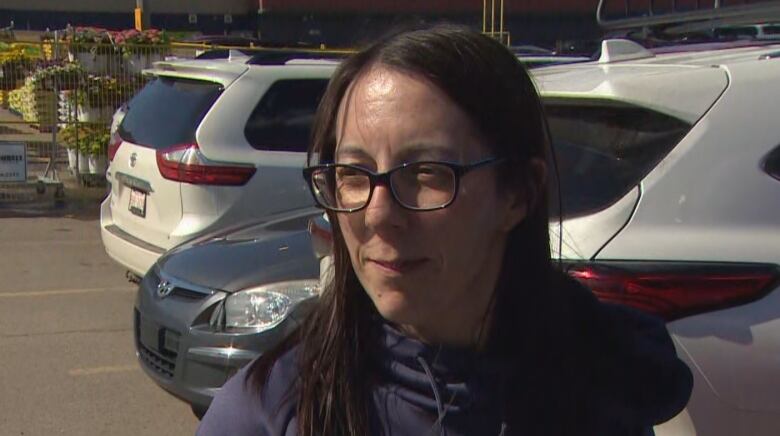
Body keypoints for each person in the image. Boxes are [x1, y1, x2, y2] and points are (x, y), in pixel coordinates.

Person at [197, 25, 692, 436]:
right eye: (353, 175)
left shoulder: (604, 384)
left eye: (428, 173)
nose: (378, 214)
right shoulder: (269, 413)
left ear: (517, 192)